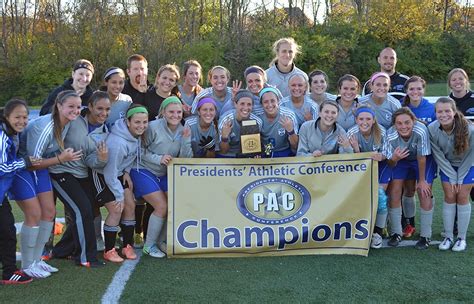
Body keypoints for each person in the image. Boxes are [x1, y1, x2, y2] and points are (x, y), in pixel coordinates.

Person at [21, 91, 86, 270]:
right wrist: (60, 159)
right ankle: (29, 264)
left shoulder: (66, 123)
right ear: (58, 106)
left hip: (41, 167)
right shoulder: (45, 127)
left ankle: (38, 260)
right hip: (23, 168)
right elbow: (31, 163)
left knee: (49, 213)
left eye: (78, 106)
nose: (75, 110)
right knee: (34, 214)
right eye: (71, 106)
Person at [49, 91, 110, 267]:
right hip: (61, 172)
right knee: (82, 210)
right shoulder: (74, 120)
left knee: (89, 209)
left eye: (107, 109)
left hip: (82, 174)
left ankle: (61, 250)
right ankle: (86, 257)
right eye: (99, 108)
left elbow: (90, 161)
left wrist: (102, 159)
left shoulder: (103, 131)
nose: (103, 113)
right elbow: (51, 134)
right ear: (89, 107)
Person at [133, 96, 192, 257]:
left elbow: (186, 158)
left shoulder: (184, 129)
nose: (175, 115)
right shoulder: (152, 127)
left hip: (164, 173)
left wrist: (186, 141)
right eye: (171, 111)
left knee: (175, 204)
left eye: (179, 112)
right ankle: (149, 245)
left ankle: (161, 241)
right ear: (163, 112)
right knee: (161, 206)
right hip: (143, 170)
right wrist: (158, 158)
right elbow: (138, 151)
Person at [94, 104, 146, 261]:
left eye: (145, 122)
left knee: (130, 205)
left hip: (118, 174)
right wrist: (118, 195)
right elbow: (109, 172)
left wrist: (126, 172)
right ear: (128, 122)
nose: (141, 126)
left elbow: (129, 159)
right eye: (137, 122)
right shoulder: (117, 143)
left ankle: (127, 245)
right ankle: (109, 249)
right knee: (117, 208)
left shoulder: (135, 136)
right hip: (103, 176)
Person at [383, 107, 435, 249]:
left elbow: (422, 156)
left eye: (407, 122)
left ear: (413, 121)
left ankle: (425, 235)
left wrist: (422, 180)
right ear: (394, 124)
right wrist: (395, 158)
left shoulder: (420, 129)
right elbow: (391, 163)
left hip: (423, 160)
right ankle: (396, 232)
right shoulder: (390, 134)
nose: (403, 126)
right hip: (401, 160)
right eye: (399, 123)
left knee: (423, 192)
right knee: (394, 192)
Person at [429, 97, 473, 252]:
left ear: (454, 112)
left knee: (462, 196)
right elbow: (439, 156)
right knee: (449, 196)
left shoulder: (469, 128)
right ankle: (448, 236)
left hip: (469, 165)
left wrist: (459, 177)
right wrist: (452, 176)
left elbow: (471, 156)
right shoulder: (432, 129)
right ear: (435, 113)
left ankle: (461, 238)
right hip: (448, 166)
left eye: (447, 111)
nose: (443, 114)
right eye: (439, 111)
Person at [0, 99, 35, 284]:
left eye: (25, 117)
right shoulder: (2, 135)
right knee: (7, 232)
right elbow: (1, 167)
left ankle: (9, 272)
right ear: (7, 117)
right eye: (17, 117)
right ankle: (9, 272)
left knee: (7, 231)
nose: (22, 121)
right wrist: (25, 162)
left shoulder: (11, 133)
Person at [347, 105, 390, 249]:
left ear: (373, 120)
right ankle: (362, 230)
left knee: (380, 197)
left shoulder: (382, 132)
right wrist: (358, 151)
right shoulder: (352, 132)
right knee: (361, 199)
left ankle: (377, 232)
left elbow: (386, 153)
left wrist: (381, 156)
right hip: (359, 169)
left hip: (380, 167)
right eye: (361, 119)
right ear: (356, 120)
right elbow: (349, 159)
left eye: (368, 119)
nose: (364, 122)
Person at [399, 76, 437, 237]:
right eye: (411, 89)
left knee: (425, 190)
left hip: (426, 157)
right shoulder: (402, 107)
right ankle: (410, 224)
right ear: (406, 91)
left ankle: (426, 231)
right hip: (407, 156)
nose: (415, 91)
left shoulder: (432, 108)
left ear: (424, 90)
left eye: (419, 88)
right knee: (408, 190)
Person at [447, 68, 474, 202]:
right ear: (449, 83)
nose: (457, 82)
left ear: (466, 81)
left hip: (473, 153)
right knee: (456, 194)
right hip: (454, 156)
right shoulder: (446, 102)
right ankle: (457, 223)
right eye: (454, 79)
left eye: (460, 78)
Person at [218, 90, 262, 158]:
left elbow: (253, 149)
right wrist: (224, 137)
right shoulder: (226, 120)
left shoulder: (256, 121)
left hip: (246, 156)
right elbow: (224, 151)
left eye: (249, 104)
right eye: (242, 104)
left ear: (252, 106)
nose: (245, 108)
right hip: (228, 155)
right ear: (235, 104)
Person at [258, 87, 299, 157]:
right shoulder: (258, 116)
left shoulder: (288, 115)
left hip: (284, 150)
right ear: (261, 104)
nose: (270, 105)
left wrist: (291, 131)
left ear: (278, 101)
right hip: (266, 150)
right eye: (265, 102)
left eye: (272, 101)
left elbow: (296, 146)